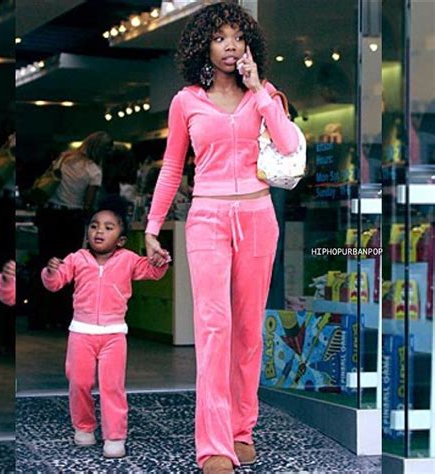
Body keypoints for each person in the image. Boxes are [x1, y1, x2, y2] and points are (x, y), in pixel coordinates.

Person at [144, 3, 299, 473]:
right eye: (220, 38)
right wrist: (152, 227)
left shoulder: (264, 94)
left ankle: (241, 428)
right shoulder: (186, 100)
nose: (230, 46)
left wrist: (260, 92)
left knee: (249, 329)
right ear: (203, 47)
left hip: (258, 215)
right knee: (214, 330)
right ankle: (214, 444)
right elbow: (173, 167)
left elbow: (290, 148)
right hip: (207, 217)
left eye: (237, 36)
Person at [41, 204, 169, 458]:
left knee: (112, 387)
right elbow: (54, 284)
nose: (99, 231)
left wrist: (160, 259)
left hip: (113, 335)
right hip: (81, 333)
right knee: (79, 383)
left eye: (108, 228)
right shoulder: (76, 258)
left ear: (121, 239)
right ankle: (84, 428)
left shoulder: (129, 259)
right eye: (94, 226)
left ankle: (115, 436)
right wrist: (50, 272)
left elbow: (152, 271)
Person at [33, 131, 113, 329]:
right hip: (71, 219)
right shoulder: (94, 170)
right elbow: (88, 203)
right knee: (67, 268)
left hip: (50, 216)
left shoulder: (64, 158)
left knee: (46, 264)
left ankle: (39, 316)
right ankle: (60, 316)